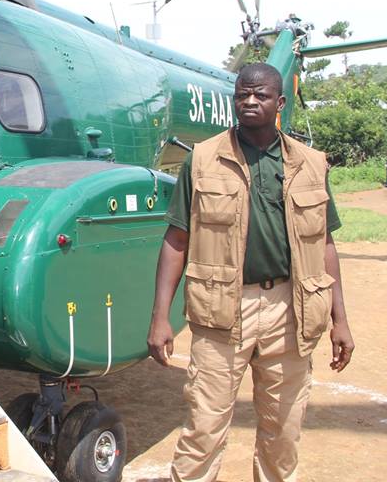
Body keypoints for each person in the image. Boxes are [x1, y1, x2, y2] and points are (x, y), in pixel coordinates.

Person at [147, 63, 354, 482]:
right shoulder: (203, 159)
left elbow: (325, 246)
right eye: (243, 95)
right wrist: (160, 318)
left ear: (280, 103)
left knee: (283, 432)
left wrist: (341, 320)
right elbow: (177, 240)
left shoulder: (312, 164)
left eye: (260, 96)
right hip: (221, 310)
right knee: (203, 429)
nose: (250, 102)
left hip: (291, 310)